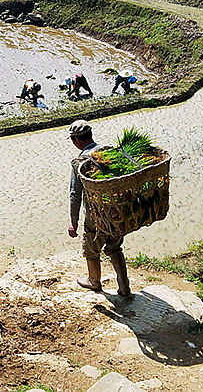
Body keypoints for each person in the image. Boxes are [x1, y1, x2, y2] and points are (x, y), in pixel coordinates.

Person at [68, 119, 131, 297]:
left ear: (76, 140)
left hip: (96, 214)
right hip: (117, 210)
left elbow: (75, 194)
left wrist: (73, 221)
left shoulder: (80, 162)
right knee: (115, 247)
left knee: (91, 249)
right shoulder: (110, 152)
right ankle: (124, 287)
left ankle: (94, 281)